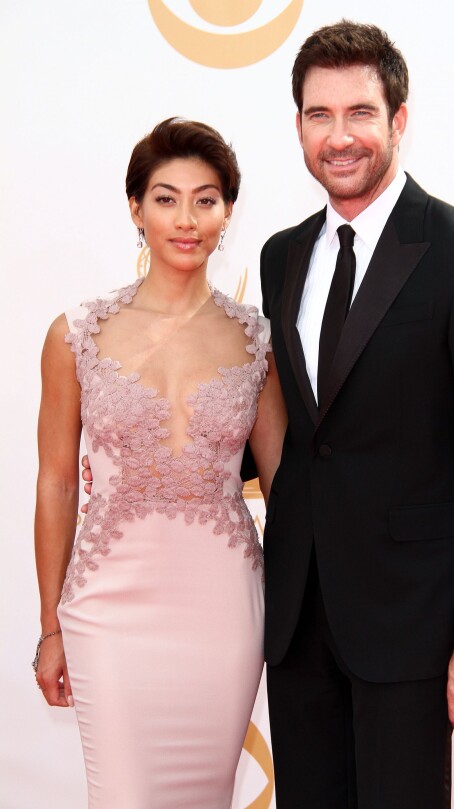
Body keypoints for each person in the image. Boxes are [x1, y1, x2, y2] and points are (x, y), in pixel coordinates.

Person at [259, 20, 454, 809]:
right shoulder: (283, 255)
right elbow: (303, 428)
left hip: (414, 622)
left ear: (399, 120)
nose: (339, 137)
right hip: (299, 617)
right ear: (300, 125)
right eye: (319, 115)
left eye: (360, 113)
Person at [33, 117, 286, 809]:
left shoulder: (259, 340)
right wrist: (50, 627)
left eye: (206, 199)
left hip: (224, 613)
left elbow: (292, 484)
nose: (186, 218)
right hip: (107, 612)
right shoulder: (76, 333)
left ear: (227, 211)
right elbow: (55, 483)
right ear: (135, 208)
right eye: (166, 197)